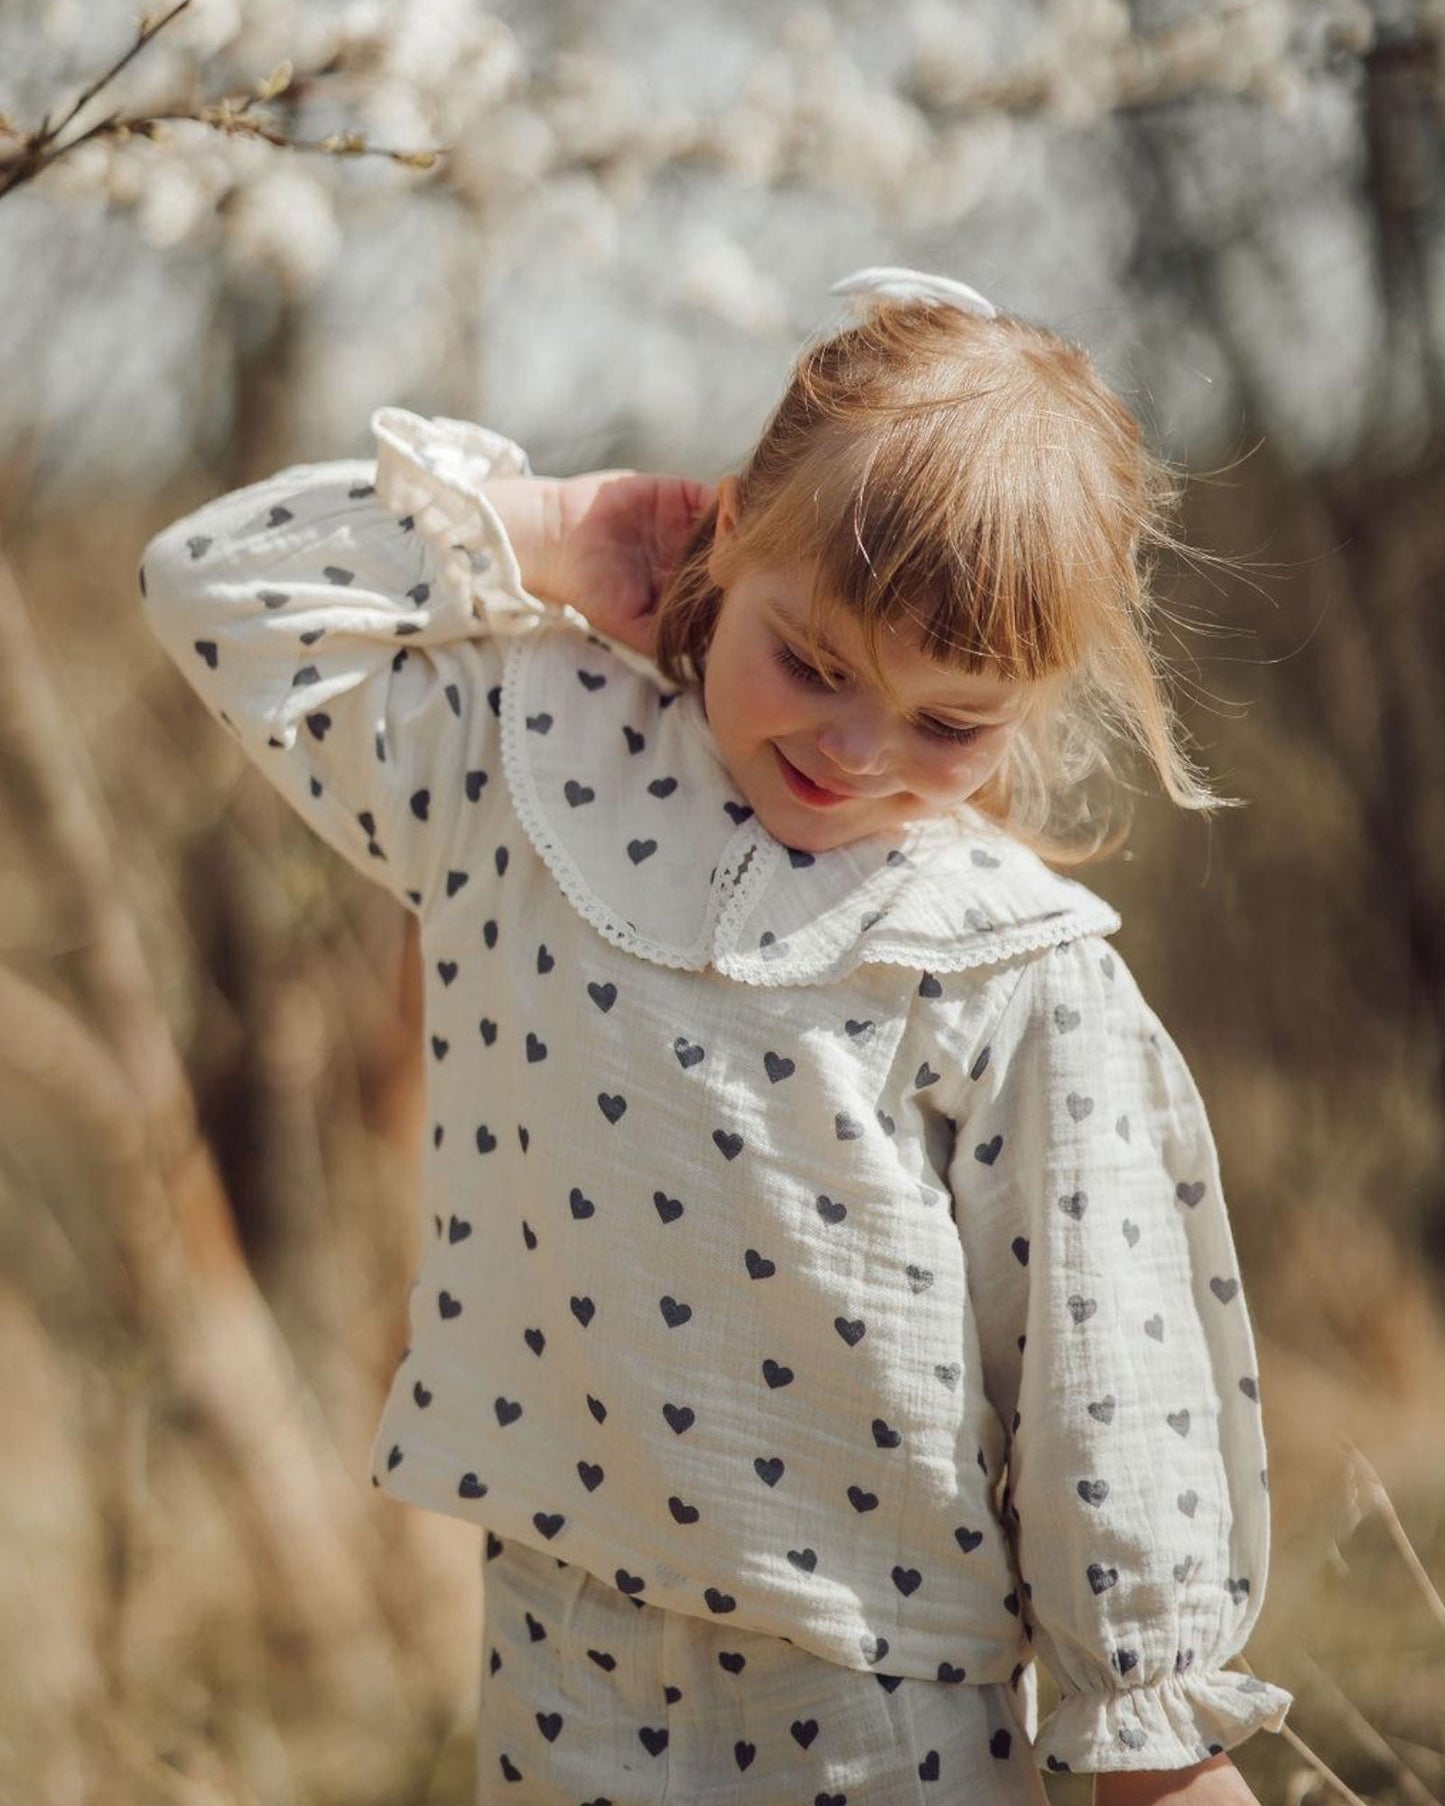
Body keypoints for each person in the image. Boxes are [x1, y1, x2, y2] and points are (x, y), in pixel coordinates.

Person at [138, 267, 1293, 1806]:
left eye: (949, 722)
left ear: (1028, 705)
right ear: (729, 537)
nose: (855, 747)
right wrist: (552, 529)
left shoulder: (1008, 960)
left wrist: (1150, 1726)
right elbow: (214, 582)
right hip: (564, 1641)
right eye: (811, 662)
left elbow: (1099, 1360)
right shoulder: (532, 764)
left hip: (883, 1688)